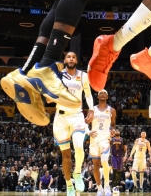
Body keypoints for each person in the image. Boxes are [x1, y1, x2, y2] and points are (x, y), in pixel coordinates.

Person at [55, 52, 93, 196]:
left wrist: (91, 109)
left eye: (73, 57)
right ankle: (69, 184)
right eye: (68, 57)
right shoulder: (58, 74)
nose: (71, 59)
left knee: (78, 145)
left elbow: (88, 94)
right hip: (61, 118)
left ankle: (77, 172)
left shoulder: (83, 76)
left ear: (77, 60)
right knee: (65, 156)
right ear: (65, 60)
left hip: (77, 115)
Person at [90, 90, 116, 196]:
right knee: (96, 166)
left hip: (105, 139)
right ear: (97, 96)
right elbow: (86, 122)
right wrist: (88, 131)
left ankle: (107, 186)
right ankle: (99, 188)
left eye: (105, 93)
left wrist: (113, 130)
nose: (102, 94)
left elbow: (113, 124)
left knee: (105, 161)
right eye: (100, 93)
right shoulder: (92, 110)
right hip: (94, 140)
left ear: (107, 96)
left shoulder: (111, 110)